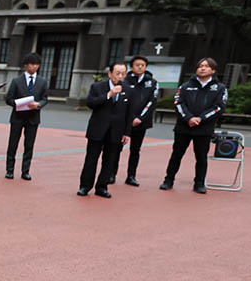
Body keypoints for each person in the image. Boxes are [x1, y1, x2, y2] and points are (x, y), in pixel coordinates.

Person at [161, 57, 227, 194]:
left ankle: (199, 183)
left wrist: (201, 119)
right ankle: (168, 180)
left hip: (204, 128)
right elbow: (178, 103)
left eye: (206, 66)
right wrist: (189, 118)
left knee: (201, 157)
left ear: (213, 70)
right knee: (176, 154)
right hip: (183, 127)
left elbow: (219, 107)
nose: (202, 68)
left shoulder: (220, 88)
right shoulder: (185, 86)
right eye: (200, 66)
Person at [79, 62, 133, 197]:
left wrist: (127, 132)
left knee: (110, 160)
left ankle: (102, 187)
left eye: (123, 74)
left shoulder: (129, 89)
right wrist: (109, 94)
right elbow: (91, 103)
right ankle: (85, 186)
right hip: (98, 129)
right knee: (91, 159)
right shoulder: (98, 87)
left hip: (116, 131)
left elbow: (129, 113)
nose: (120, 77)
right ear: (110, 74)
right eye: (117, 73)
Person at [113, 55, 159, 186]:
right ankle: (112, 173)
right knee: (116, 148)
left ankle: (131, 176)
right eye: (137, 65)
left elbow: (152, 102)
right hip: (123, 121)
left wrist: (139, 118)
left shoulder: (152, 82)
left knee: (135, 149)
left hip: (141, 122)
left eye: (142, 65)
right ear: (131, 67)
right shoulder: (125, 80)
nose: (140, 67)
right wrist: (129, 118)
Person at [4, 52, 48, 180]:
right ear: (26, 65)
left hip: (33, 118)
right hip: (18, 116)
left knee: (29, 145)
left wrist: (39, 104)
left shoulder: (42, 82)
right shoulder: (17, 81)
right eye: (32, 64)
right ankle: (10, 170)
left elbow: (45, 98)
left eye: (37, 64)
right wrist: (18, 104)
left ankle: (25, 171)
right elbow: (9, 99)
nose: (35, 67)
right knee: (13, 144)